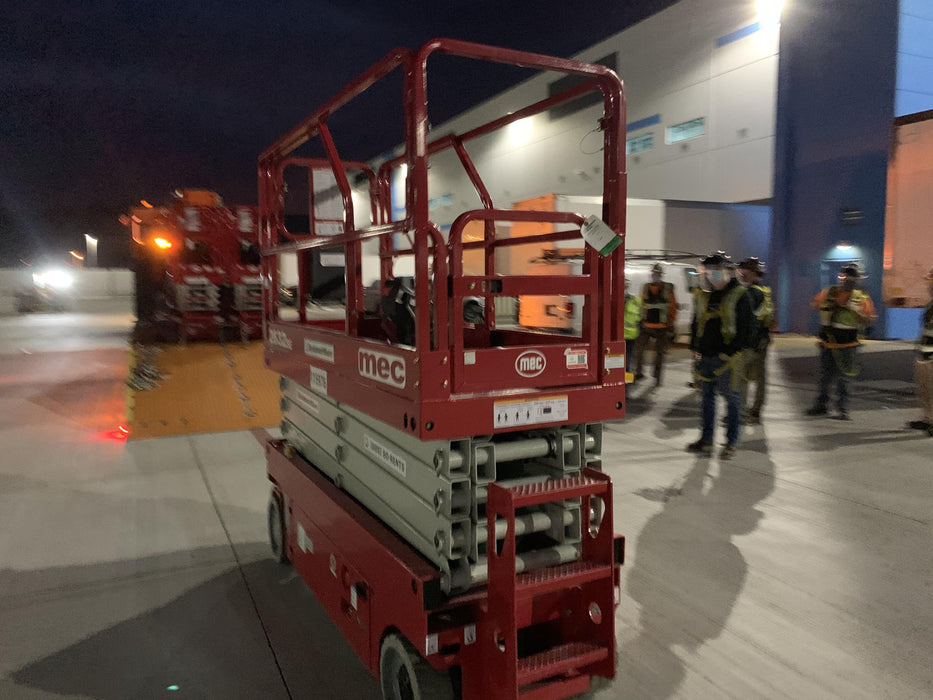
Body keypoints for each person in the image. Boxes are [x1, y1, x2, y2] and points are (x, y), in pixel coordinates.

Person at [687, 252, 755, 460]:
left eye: (716, 270)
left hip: (727, 360)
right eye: (708, 271)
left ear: (727, 271)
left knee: (732, 400)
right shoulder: (704, 295)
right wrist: (695, 347)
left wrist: (730, 352)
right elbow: (696, 322)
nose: (712, 274)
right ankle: (706, 439)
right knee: (707, 399)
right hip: (706, 356)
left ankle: (731, 443)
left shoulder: (740, 294)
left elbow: (747, 329)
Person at [806, 263, 876, 420]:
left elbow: (869, 321)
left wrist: (855, 310)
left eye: (852, 277)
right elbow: (814, 305)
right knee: (825, 377)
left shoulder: (861, 298)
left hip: (848, 345)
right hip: (828, 344)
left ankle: (842, 409)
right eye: (846, 276)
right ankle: (822, 406)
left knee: (844, 379)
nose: (848, 280)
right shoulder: (829, 292)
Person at [736, 257, 774, 424]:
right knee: (760, 377)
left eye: (743, 269)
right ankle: (756, 411)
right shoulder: (764, 292)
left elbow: (745, 320)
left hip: (749, 342)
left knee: (742, 377)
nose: (741, 272)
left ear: (751, 272)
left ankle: (741, 413)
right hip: (762, 341)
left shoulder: (750, 293)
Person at [634, 262, 677, 386]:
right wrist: (640, 320)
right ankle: (639, 373)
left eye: (657, 273)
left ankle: (656, 377)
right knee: (639, 351)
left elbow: (673, 307)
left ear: (661, 274)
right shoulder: (646, 287)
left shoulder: (668, 288)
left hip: (662, 327)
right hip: (647, 325)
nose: (655, 275)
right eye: (654, 273)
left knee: (659, 353)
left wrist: (670, 323)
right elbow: (641, 304)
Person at [907, 269, 933, 436]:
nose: (929, 285)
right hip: (924, 352)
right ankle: (927, 418)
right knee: (925, 390)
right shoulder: (931, 304)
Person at [624, 277, 643, 373]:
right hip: (629, 335)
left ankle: (626, 376)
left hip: (628, 335)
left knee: (626, 357)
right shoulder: (636, 300)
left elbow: (641, 316)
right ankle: (626, 375)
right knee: (627, 357)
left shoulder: (636, 300)